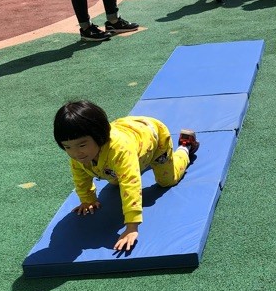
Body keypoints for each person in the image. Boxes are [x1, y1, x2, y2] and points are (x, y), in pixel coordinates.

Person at [54, 100, 200, 252]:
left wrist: (131, 226)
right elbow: (80, 176)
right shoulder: (79, 155)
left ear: (98, 136)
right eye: (67, 147)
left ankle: (186, 147)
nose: (76, 153)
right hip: (128, 131)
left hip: (154, 137)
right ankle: (136, 161)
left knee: (167, 181)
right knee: (115, 180)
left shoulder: (120, 151)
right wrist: (87, 200)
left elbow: (130, 184)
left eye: (82, 145)